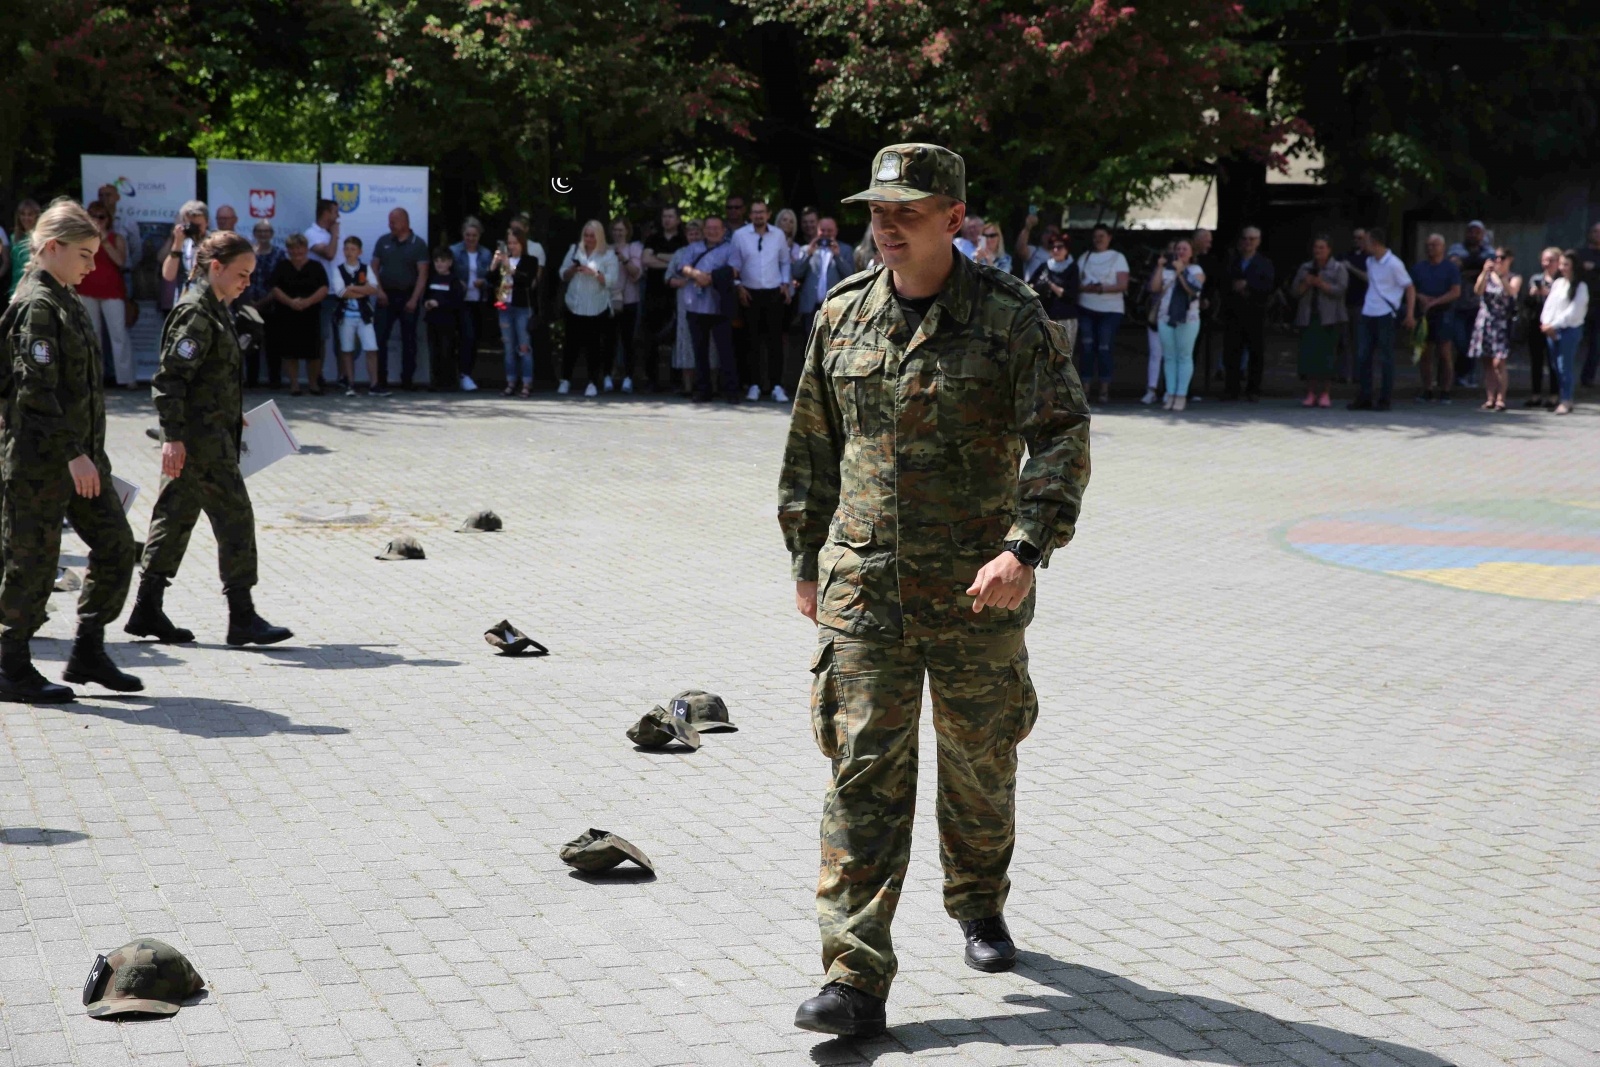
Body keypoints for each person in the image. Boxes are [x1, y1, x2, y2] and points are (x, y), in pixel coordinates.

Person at [779, 143, 1090, 1039]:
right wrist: (805, 557)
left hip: (977, 593)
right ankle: (853, 974)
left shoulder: (1010, 317)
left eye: (906, 213)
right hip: (866, 590)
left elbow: (1062, 434)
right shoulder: (842, 314)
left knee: (980, 764)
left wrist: (1025, 548)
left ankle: (979, 899)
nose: (886, 227)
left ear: (954, 219)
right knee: (862, 775)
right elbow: (812, 444)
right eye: (878, 211)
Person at [0, 199, 142, 703]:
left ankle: (88, 649)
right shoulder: (37, 305)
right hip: (42, 461)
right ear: (53, 248)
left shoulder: (64, 298)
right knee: (31, 563)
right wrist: (73, 455)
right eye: (84, 254)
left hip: (81, 458)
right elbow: (34, 393)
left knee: (116, 545)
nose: (92, 265)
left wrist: (87, 455)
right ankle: (11, 666)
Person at [127, 230, 292, 648]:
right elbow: (169, 380)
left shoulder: (215, 308)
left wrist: (231, 414)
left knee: (174, 517)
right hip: (200, 442)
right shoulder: (197, 312)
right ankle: (242, 616)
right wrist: (173, 437)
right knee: (236, 517)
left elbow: (207, 378)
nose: (247, 283)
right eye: (241, 274)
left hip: (206, 433)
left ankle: (147, 608)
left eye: (250, 275)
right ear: (216, 267)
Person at [729, 199, 793, 402]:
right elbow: (734, 264)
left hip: (773, 292)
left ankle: (776, 386)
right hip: (750, 293)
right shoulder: (740, 235)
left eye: (762, 212)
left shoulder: (778, 235)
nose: (758, 215)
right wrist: (738, 286)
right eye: (755, 212)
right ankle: (754, 384)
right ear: (750, 215)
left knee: (775, 341)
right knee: (752, 341)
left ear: (768, 214)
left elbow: (785, 262)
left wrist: (785, 283)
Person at [1348, 226, 1415, 411]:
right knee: (1363, 356)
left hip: (1386, 313)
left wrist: (1409, 314)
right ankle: (1365, 396)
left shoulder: (1394, 263)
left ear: (1375, 243)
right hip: (1368, 312)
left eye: (1366, 241)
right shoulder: (1370, 261)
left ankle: (1385, 399)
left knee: (1386, 357)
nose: (1363, 244)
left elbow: (1409, 287)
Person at [677, 215, 739, 403]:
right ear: (704, 230)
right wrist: (696, 274)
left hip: (720, 306)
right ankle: (703, 390)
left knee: (726, 350)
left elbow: (734, 270)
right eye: (709, 228)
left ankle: (731, 391)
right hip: (695, 306)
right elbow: (682, 266)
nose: (712, 231)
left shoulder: (730, 249)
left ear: (723, 230)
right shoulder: (693, 248)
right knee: (699, 351)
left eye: (716, 228)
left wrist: (710, 278)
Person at [558, 220, 619, 397]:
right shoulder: (574, 249)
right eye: (586, 235)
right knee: (570, 345)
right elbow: (562, 274)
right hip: (575, 304)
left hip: (596, 306)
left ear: (599, 236)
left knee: (594, 347)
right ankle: (565, 380)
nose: (589, 239)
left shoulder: (608, 254)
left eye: (592, 236)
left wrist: (594, 273)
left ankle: (592, 382)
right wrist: (572, 269)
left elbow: (612, 280)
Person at [372, 208, 430, 390]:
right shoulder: (383, 241)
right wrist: (379, 291)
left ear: (405, 222)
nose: (390, 225)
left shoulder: (418, 244)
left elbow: (423, 274)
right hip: (385, 296)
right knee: (379, 337)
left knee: (409, 340)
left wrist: (414, 299)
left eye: (393, 222)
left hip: (408, 295)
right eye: (389, 221)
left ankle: (407, 380)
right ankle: (380, 379)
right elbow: (374, 268)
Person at [79, 201, 136, 389]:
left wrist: (103, 240)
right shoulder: (81, 239)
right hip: (86, 289)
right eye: (93, 216)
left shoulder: (116, 238)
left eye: (101, 217)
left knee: (119, 334)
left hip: (112, 290)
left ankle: (127, 378)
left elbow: (121, 261)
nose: (97, 220)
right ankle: (96, 379)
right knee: (92, 335)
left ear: (108, 219)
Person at [1289, 236, 1349, 409]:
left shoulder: (1338, 268)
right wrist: (1306, 283)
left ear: (1329, 249)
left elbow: (1340, 290)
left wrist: (1321, 284)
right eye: (1316, 247)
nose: (1318, 251)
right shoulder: (1305, 267)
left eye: (1322, 247)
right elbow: (1294, 292)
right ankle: (1310, 393)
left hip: (1330, 319)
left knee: (1327, 357)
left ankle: (1325, 393)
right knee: (1309, 357)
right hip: (1309, 318)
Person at [268, 234, 329, 396]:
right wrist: (290, 302)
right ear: (288, 250)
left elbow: (324, 288)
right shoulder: (282, 266)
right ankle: (294, 385)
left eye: (300, 247)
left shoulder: (316, 266)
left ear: (306, 249)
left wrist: (308, 302)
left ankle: (313, 384)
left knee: (313, 353)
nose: (296, 251)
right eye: (293, 248)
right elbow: (274, 288)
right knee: (290, 352)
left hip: (311, 314)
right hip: (287, 314)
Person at [1076, 224, 1129, 404]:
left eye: (1102, 236)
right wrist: (1090, 288)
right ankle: (1085, 388)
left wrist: (1101, 289)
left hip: (1110, 310)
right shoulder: (1085, 257)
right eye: (1095, 236)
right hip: (1086, 307)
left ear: (1109, 237)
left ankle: (1104, 389)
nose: (1098, 240)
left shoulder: (1118, 257)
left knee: (1104, 347)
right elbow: (1075, 283)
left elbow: (1122, 284)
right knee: (1087, 347)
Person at [638, 205, 689, 394]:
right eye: (664, 216)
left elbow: (684, 262)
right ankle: (652, 380)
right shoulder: (653, 238)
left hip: (676, 294)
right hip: (653, 294)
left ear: (678, 219)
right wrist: (673, 262)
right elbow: (645, 260)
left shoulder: (683, 239)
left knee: (677, 338)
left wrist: (658, 256)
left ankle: (676, 381)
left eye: (670, 216)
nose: (667, 220)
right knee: (651, 338)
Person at [1151, 239, 1206, 411]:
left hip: (1188, 318)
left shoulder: (1196, 270)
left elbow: (1193, 289)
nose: (1181, 251)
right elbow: (1154, 288)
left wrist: (1181, 272)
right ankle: (1170, 393)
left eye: (1185, 248)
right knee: (1169, 357)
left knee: (1184, 356)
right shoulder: (1167, 269)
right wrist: (1160, 267)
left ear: (1191, 252)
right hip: (1165, 316)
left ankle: (1181, 394)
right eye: (1178, 248)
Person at [1222, 226, 1275, 401]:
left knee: (1256, 352)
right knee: (1232, 351)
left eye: (1252, 239)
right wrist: (1233, 286)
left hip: (1255, 312)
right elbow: (1222, 282)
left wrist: (1248, 285)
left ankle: (1253, 389)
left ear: (1258, 242)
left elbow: (1268, 286)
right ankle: (1231, 388)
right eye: (1245, 238)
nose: (1248, 242)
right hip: (1233, 312)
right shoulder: (1232, 261)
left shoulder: (1265, 263)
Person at [488, 228, 542, 398]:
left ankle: (527, 383)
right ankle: (511, 382)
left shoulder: (530, 260)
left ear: (522, 244)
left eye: (515, 243)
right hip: (504, 306)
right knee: (508, 347)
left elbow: (526, 280)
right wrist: (494, 264)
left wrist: (509, 267)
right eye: (509, 243)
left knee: (524, 347)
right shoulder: (504, 260)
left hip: (522, 308)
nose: (512, 246)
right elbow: (490, 280)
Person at [327, 236, 383, 398]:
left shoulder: (365, 268)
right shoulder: (339, 269)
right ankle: (350, 384)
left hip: (364, 315)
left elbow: (374, 289)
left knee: (371, 348)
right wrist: (362, 290)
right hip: (346, 316)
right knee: (347, 350)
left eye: (353, 249)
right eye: (346, 249)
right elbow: (340, 292)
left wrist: (352, 288)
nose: (349, 252)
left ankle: (374, 385)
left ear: (360, 252)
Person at [1468, 248, 1520, 412]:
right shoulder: (1487, 276)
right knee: (1487, 362)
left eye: (1501, 257)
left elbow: (1511, 292)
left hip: (1502, 323)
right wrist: (1485, 273)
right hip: (1485, 322)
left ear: (1509, 259)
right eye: (1494, 257)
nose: (1497, 260)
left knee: (1499, 362)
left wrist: (1501, 277)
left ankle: (1501, 398)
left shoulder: (1514, 277)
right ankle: (1490, 398)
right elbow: (1478, 290)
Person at [1412, 233, 1462, 403]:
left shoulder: (1450, 268)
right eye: (1428, 245)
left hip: (1444, 313)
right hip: (1424, 315)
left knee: (1444, 353)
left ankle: (1445, 390)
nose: (1430, 248)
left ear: (1443, 247)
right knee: (1424, 353)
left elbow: (1456, 292)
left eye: (1434, 245)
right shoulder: (1419, 268)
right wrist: (1420, 297)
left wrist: (1435, 302)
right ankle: (1427, 389)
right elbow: (1410, 288)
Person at [791, 215, 855, 344]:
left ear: (836, 231)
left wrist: (837, 256)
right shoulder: (806, 249)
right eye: (822, 230)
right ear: (817, 231)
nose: (825, 234)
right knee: (810, 344)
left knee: (833, 345)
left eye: (829, 231)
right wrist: (808, 254)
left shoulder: (845, 249)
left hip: (835, 307)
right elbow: (796, 273)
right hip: (811, 308)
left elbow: (850, 276)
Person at [1539, 251, 1588, 416]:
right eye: (1561, 264)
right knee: (1555, 367)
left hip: (1569, 330)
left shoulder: (1581, 286)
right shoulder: (1558, 283)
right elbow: (1549, 305)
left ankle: (1566, 400)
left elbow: (1573, 312)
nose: (1562, 268)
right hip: (1552, 330)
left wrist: (1553, 325)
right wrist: (1545, 322)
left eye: (1566, 264)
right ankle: (1563, 397)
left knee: (1564, 366)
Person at [450, 217, 495, 392]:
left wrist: (483, 282)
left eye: (474, 235)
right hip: (460, 300)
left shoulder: (486, 253)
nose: (470, 238)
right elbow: (446, 273)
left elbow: (492, 278)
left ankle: (467, 373)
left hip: (478, 300)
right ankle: (461, 374)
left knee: (474, 338)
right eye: (467, 235)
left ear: (479, 236)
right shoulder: (454, 251)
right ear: (463, 234)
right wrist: (457, 283)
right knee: (464, 336)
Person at [1447, 221, 1492, 388]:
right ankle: (1454, 374)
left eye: (1477, 232)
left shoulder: (1488, 251)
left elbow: (1490, 265)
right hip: (1457, 305)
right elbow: (1455, 264)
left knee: (1474, 343)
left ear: (1483, 234)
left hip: (1478, 306)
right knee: (1460, 341)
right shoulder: (1457, 248)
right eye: (1470, 231)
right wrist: (1478, 267)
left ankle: (1466, 376)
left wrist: (1469, 268)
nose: (1473, 235)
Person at [243, 221, 285, 388]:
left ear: (272, 234)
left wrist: (263, 301)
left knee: (273, 345)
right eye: (260, 231)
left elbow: (281, 282)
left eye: (266, 231)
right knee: (251, 344)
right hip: (249, 305)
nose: (263, 234)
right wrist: (250, 302)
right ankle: (252, 381)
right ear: (254, 233)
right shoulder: (247, 254)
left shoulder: (279, 254)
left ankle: (275, 381)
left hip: (272, 305)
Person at [304, 199, 339, 391]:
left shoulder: (330, 233)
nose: (337, 216)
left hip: (337, 292)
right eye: (335, 212)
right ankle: (317, 376)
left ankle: (342, 377)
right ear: (326, 213)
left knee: (340, 338)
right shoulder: (311, 234)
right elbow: (329, 254)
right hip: (320, 293)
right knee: (321, 336)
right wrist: (335, 234)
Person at [606, 218, 643, 393]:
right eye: (615, 229)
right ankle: (607, 375)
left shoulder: (634, 248)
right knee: (608, 340)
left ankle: (628, 377)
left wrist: (624, 259)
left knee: (628, 340)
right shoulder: (605, 248)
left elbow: (636, 273)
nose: (618, 233)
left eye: (621, 230)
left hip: (629, 300)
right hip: (608, 300)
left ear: (627, 231)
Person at [1522, 247, 1563, 409]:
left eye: (1551, 260)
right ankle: (1536, 394)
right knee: (1536, 360)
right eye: (1544, 260)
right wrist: (1532, 294)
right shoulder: (1536, 279)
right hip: (1536, 323)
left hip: (1555, 324)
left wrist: (1549, 293)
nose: (1547, 263)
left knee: (1554, 362)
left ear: (1558, 262)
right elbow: (1527, 303)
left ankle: (1554, 395)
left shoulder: (1562, 280)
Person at [667, 218, 703, 395]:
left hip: (706, 302)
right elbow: (668, 277)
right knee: (686, 341)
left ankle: (709, 385)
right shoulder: (680, 253)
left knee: (709, 343)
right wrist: (678, 282)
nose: (693, 236)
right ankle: (687, 387)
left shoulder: (710, 251)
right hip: (684, 303)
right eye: (690, 234)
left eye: (697, 233)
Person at [1027, 235, 1079, 355]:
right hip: (1046, 317)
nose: (1055, 250)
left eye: (1060, 247)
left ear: (1067, 249)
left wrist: (1050, 285)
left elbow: (1071, 295)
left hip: (1066, 318)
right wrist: (1038, 286)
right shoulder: (1044, 267)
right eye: (1052, 247)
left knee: (1063, 357)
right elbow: (1029, 286)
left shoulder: (1072, 268)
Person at [423, 248, 466, 392]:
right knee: (434, 351)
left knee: (447, 350)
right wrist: (427, 302)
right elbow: (426, 296)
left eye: (443, 261)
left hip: (448, 322)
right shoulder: (432, 279)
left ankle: (449, 382)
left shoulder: (454, 281)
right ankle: (435, 381)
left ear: (450, 263)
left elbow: (457, 301)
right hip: (432, 320)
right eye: (436, 261)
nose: (439, 264)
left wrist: (440, 303)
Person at [159, 200, 209, 295]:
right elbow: (168, 276)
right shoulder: (182, 243)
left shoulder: (216, 243)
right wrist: (177, 243)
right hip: (185, 297)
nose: (194, 230)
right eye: (191, 225)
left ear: (207, 222)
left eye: (198, 226)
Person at [1340, 229, 1370, 381]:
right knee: (1344, 340)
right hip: (1345, 303)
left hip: (1361, 304)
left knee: (1359, 340)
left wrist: (1351, 268)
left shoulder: (1369, 258)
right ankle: (1343, 373)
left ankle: (1358, 374)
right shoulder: (1346, 256)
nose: (1357, 240)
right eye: (1355, 238)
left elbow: (1368, 278)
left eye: (1360, 238)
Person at [1575, 223, 1600, 386]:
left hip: (1599, 306)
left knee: (1596, 345)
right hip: (1581, 303)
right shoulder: (1581, 253)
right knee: (1574, 340)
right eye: (1595, 231)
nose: (1597, 234)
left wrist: (1595, 267)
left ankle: (1587, 378)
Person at [8, 199, 41, 299]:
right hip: (15, 289)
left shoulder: (41, 237)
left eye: (30, 214)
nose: (26, 218)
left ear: (36, 216)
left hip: (33, 290)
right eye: (23, 214)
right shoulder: (14, 237)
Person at [1014, 213, 1061, 282]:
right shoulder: (1034, 251)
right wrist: (1027, 228)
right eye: (1047, 232)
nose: (1050, 235)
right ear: (1042, 235)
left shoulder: (1062, 258)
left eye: (1053, 233)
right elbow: (1020, 249)